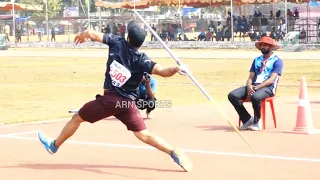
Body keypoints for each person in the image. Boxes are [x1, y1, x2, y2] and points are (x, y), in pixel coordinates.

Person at [37, 20, 192, 172]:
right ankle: (172, 152)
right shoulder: (142, 59)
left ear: (128, 38)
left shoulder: (117, 42)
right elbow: (163, 71)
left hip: (111, 100)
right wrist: (177, 68)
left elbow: (92, 33)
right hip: (127, 105)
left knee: (77, 118)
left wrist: (83, 34)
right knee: (144, 135)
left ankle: (54, 145)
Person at [228, 36, 283, 131]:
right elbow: (250, 77)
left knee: (255, 97)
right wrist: (249, 86)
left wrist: (256, 88)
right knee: (232, 95)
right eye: (261, 45)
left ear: (271, 47)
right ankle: (247, 119)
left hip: (268, 87)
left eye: (265, 45)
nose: (262, 47)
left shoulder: (277, 61)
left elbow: (271, 80)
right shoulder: (256, 60)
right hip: (254, 86)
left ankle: (257, 121)